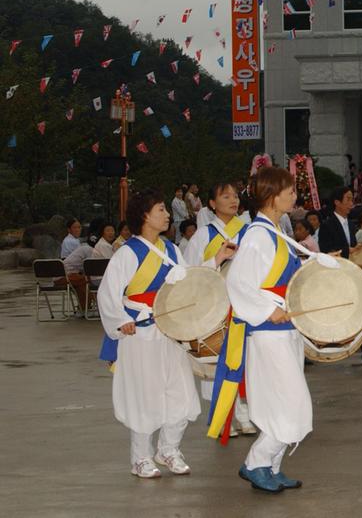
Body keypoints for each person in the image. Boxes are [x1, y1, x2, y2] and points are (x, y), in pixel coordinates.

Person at [210, 167, 311, 493]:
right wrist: (269, 310)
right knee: (292, 402)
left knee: (282, 403)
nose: (294, 195)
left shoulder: (274, 230)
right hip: (268, 332)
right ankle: (256, 462)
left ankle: (272, 467)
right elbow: (239, 284)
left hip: (283, 330)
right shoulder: (257, 235)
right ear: (271, 195)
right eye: (290, 190)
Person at [97, 189, 200, 479]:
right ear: (144, 216)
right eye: (161, 209)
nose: (167, 215)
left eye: (166, 209)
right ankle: (140, 458)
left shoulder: (172, 249)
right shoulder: (128, 252)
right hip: (139, 334)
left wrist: (214, 261)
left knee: (180, 392)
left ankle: (169, 449)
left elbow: (188, 282)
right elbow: (108, 293)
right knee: (145, 395)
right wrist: (120, 320)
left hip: (169, 331)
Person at [181, 180, 255, 436]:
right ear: (212, 204)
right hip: (214, 307)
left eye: (235, 196)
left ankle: (244, 415)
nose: (233, 201)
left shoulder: (248, 232)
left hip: (243, 305)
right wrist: (216, 259)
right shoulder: (203, 235)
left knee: (244, 359)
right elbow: (189, 274)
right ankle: (221, 416)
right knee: (215, 363)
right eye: (225, 197)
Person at [317, 186, 362, 366]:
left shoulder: (349, 224)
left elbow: (348, 247)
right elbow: (326, 251)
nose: (351, 203)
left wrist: (354, 250)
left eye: (352, 199)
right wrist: (346, 251)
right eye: (348, 199)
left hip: (350, 273)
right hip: (336, 276)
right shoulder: (327, 225)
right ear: (337, 202)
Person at [61, 239, 93, 311]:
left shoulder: (83, 248)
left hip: (62, 276)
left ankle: (84, 308)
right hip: (65, 277)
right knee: (86, 281)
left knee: (83, 283)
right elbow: (90, 269)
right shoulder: (89, 250)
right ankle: (98, 304)